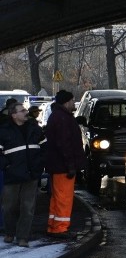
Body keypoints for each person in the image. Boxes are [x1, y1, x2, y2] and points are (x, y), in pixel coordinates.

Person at [0, 102, 45, 247]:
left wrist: (40, 164)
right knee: (9, 207)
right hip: (12, 174)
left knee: (28, 207)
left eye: (25, 109)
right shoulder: (4, 131)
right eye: (22, 110)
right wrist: (6, 165)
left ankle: (22, 237)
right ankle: (10, 232)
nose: (26, 112)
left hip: (31, 174)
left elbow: (45, 146)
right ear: (14, 115)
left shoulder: (34, 128)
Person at [43, 90, 85, 239]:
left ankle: (54, 225)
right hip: (63, 166)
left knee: (57, 197)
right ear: (66, 102)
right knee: (64, 198)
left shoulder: (57, 116)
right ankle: (61, 228)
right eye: (73, 101)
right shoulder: (63, 118)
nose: (74, 103)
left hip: (57, 165)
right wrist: (71, 165)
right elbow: (65, 144)